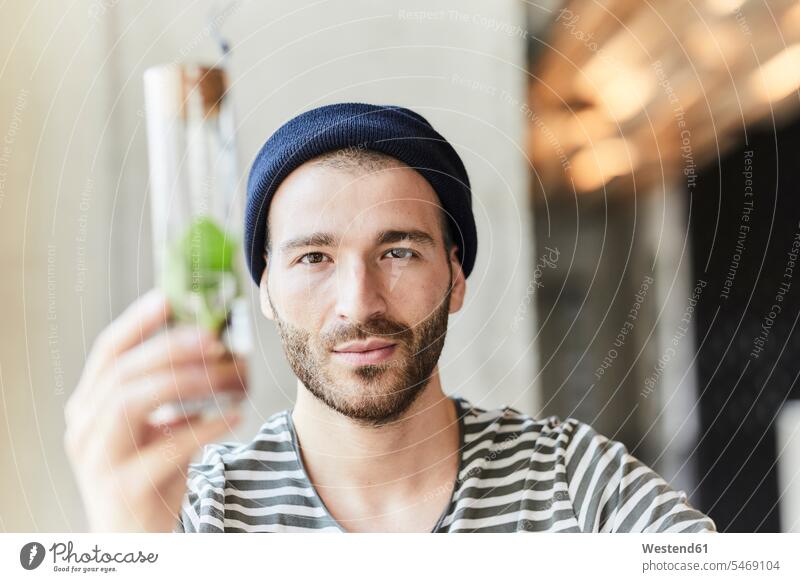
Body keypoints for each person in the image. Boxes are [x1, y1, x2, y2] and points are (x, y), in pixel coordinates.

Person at [64, 103, 716, 533]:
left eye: (398, 251)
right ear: (263, 287)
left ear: (456, 276)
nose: (359, 301)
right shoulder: (195, 511)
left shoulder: (576, 483)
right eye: (315, 256)